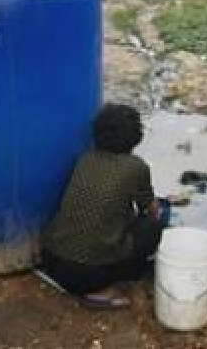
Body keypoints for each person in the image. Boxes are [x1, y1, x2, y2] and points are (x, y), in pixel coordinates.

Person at [40, 104, 166, 309]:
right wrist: (157, 207)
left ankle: (93, 283)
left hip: (51, 260)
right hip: (87, 275)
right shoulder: (136, 167)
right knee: (152, 227)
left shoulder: (85, 158)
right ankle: (101, 292)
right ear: (136, 136)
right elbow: (152, 210)